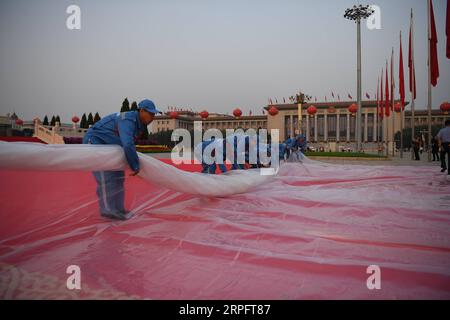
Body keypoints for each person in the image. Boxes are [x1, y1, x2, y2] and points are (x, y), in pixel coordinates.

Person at [82, 99, 161, 220]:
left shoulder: (137, 123)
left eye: (154, 114)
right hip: (95, 142)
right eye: (150, 114)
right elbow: (128, 144)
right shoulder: (128, 119)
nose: (152, 117)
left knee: (118, 178)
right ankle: (107, 210)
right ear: (142, 110)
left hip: (109, 147)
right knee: (106, 177)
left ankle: (119, 209)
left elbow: (128, 144)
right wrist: (135, 165)